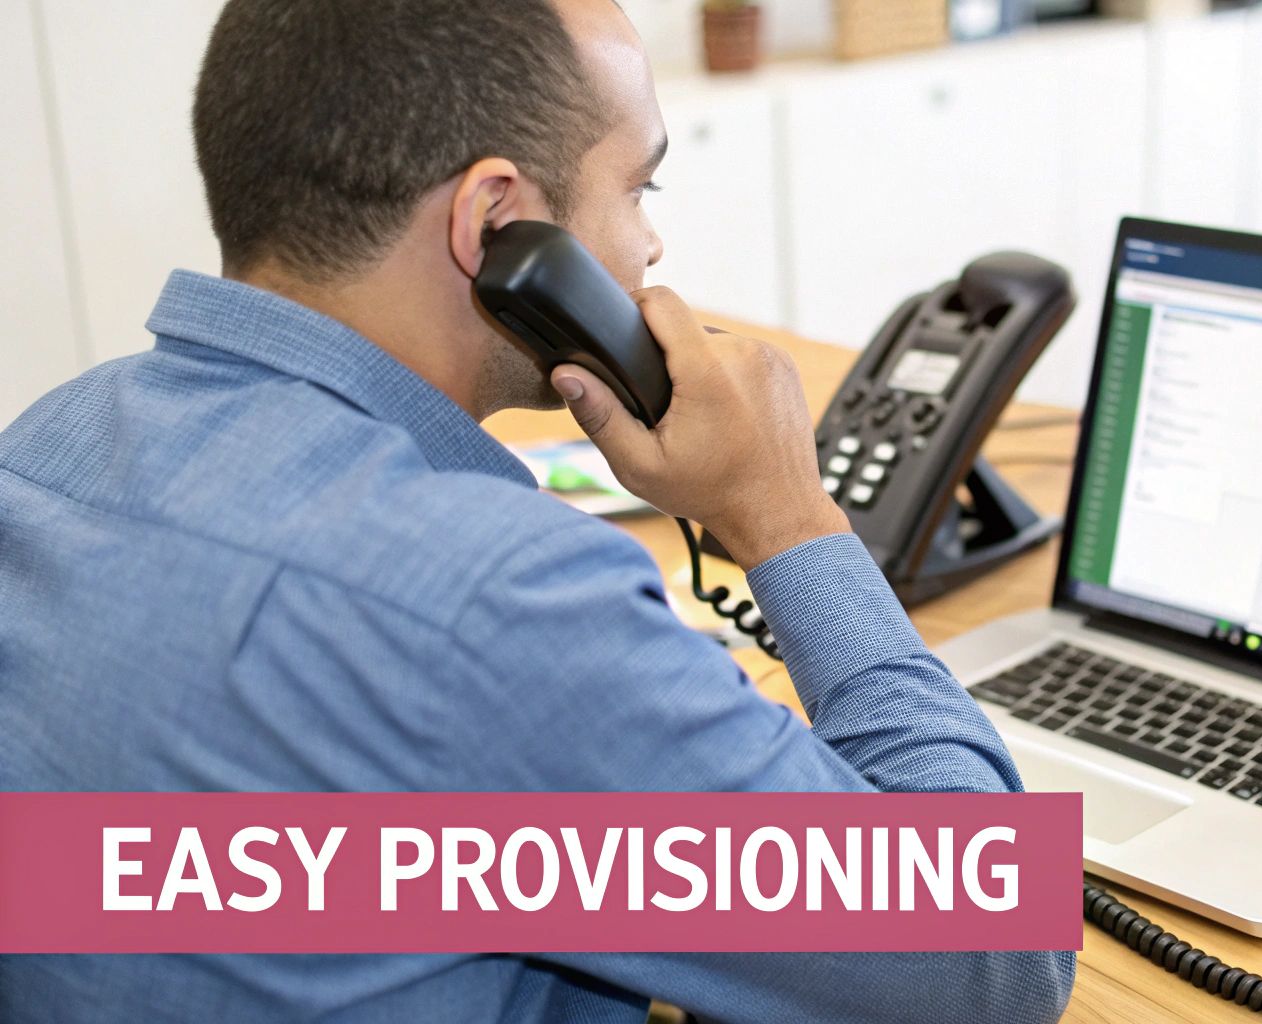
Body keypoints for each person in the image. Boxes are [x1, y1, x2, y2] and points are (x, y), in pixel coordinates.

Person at [0, 1, 1075, 1020]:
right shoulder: (489, 604)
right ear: (498, 225)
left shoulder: (43, 451)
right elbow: (996, 951)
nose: (650, 250)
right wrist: (787, 514)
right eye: (639, 189)